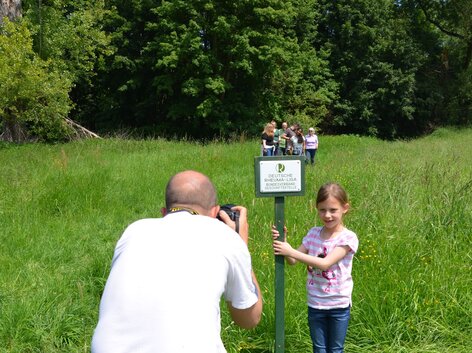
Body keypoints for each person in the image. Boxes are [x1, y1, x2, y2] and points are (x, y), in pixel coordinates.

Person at [91, 170, 263, 353]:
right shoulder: (227, 237)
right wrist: (242, 244)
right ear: (215, 213)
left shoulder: (134, 231)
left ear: (164, 212)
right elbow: (249, 318)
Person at [271, 183, 358, 353]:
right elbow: (292, 260)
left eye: (333, 210)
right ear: (316, 208)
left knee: (335, 349)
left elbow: (325, 263)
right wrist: (285, 243)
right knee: (318, 349)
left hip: (338, 305)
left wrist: (290, 252)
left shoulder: (348, 238)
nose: (327, 215)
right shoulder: (313, 234)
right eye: (322, 210)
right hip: (315, 303)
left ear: (345, 208)